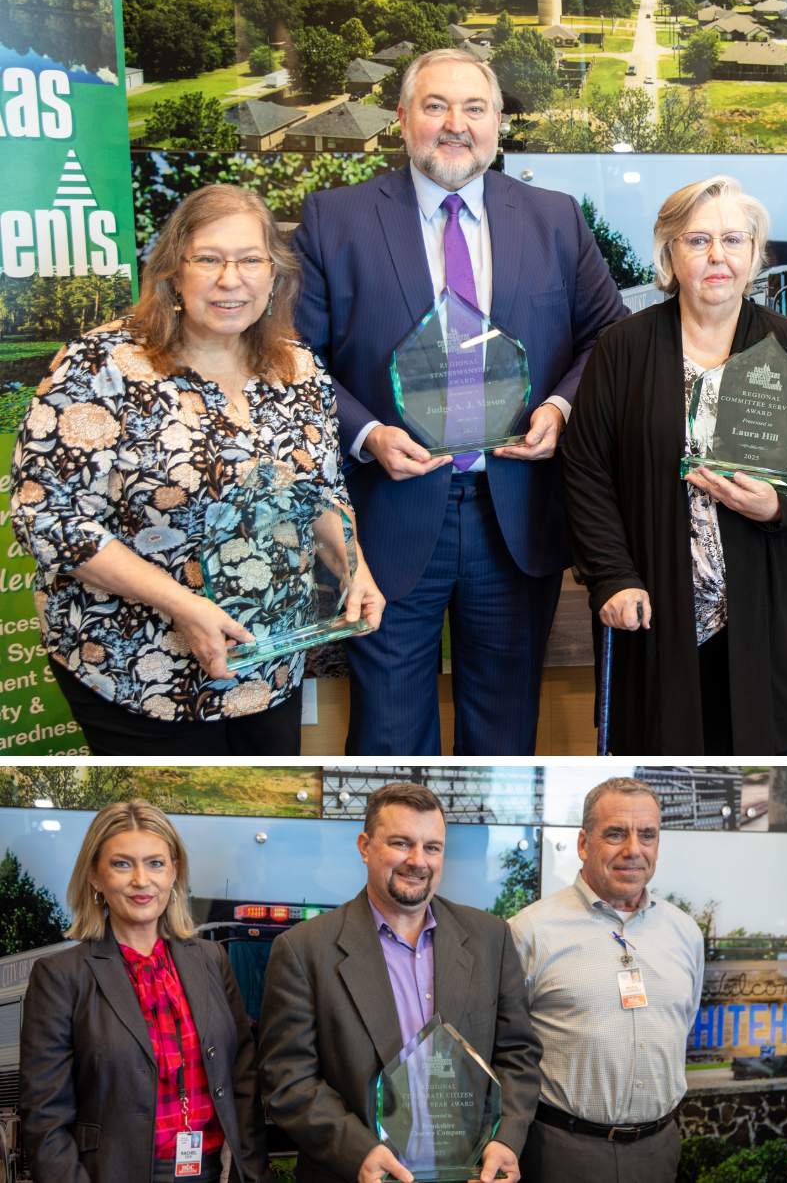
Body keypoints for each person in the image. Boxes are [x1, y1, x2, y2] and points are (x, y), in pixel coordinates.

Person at [292, 47, 628, 755]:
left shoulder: (556, 220)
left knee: (503, 732)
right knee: (386, 734)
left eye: (474, 108)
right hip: (384, 512)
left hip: (514, 513)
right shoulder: (334, 220)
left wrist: (561, 410)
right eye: (435, 106)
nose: (455, 124)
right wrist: (366, 435)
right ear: (402, 119)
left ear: (499, 122)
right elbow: (294, 358)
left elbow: (608, 338)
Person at [9, 183, 382, 755]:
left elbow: (323, 494)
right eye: (208, 259)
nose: (231, 279)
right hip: (136, 668)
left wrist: (352, 565)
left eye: (250, 260)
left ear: (274, 274)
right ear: (172, 272)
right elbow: (50, 520)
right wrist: (183, 605)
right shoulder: (100, 367)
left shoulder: (298, 368)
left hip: (269, 663)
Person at [560, 174, 787, 754]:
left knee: (781, 787)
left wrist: (779, 504)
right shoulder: (621, 349)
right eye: (698, 241)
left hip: (778, 614)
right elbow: (586, 473)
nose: (717, 256)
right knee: (671, 765)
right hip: (658, 609)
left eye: (733, 239)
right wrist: (612, 577)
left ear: (753, 254)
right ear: (669, 253)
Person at [258, 782, 541, 1183]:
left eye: (432, 847)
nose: (417, 861)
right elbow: (288, 1077)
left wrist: (508, 1137)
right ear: (365, 846)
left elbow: (519, 1054)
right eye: (401, 843)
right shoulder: (304, 950)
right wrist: (358, 1151)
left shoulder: (490, 938)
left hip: (472, 1174)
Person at [19, 801, 267, 1183]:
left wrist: (255, 1172)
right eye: (121, 864)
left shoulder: (211, 959)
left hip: (215, 1171)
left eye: (155, 863)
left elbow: (243, 1080)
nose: (141, 880)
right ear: (94, 876)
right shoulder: (59, 976)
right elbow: (44, 1118)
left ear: (174, 872)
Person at [508, 777, 705, 1183]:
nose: (633, 850)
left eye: (647, 835)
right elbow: (506, 1051)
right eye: (616, 834)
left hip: (660, 1149)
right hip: (562, 1152)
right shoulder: (530, 932)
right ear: (584, 843)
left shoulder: (685, 932)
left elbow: (684, 1022)